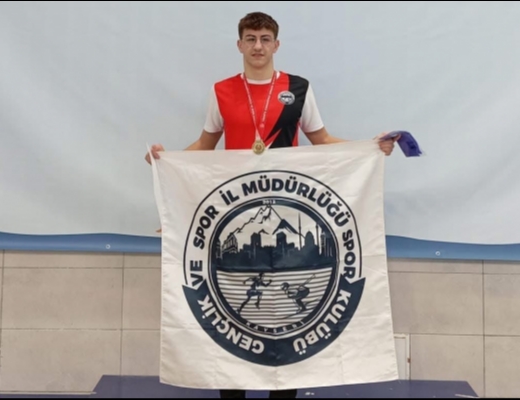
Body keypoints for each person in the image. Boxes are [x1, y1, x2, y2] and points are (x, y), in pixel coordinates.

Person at [145, 11, 399, 400]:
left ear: (276, 44)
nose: (258, 46)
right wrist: (165, 161)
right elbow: (205, 147)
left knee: (289, 329)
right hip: (236, 211)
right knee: (233, 321)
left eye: (265, 38)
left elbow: (322, 140)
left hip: (287, 201)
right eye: (251, 38)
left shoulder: (298, 88)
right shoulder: (221, 91)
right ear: (239, 44)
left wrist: (371, 147)